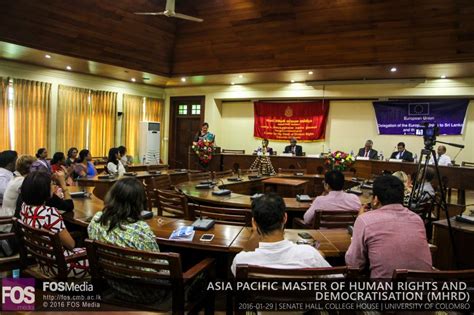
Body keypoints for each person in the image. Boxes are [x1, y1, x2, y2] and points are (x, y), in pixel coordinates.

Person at [88, 177, 167, 303]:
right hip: (147, 292)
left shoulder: (96, 220)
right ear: (139, 202)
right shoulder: (141, 230)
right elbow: (157, 264)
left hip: (112, 284)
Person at [345, 175, 432, 278]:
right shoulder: (417, 219)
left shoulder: (365, 220)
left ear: (375, 199)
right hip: (424, 291)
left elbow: (354, 264)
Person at [231, 193, 331, 276]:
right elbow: (337, 280)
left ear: (254, 223)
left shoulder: (241, 261)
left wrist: (255, 230)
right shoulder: (310, 254)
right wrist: (318, 257)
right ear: (285, 218)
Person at [19, 172, 88, 278]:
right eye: (51, 184)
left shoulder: (24, 207)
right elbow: (71, 244)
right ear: (43, 190)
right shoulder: (49, 213)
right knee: (98, 255)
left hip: (42, 262)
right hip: (61, 266)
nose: (54, 186)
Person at [1, 155, 36, 230]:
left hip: (9, 220)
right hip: (11, 225)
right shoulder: (23, 181)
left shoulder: (16, 178)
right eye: (35, 166)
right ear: (30, 168)